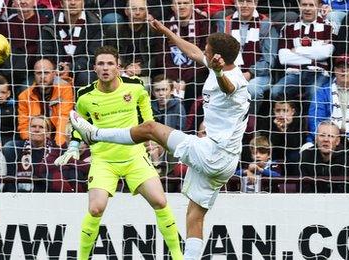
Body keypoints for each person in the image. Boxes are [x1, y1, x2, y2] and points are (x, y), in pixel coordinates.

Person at [69, 21, 248, 259]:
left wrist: (216, 73)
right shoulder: (223, 65)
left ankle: (96, 134)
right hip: (225, 161)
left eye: (207, 49)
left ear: (218, 59)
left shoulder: (233, 80)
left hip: (213, 152)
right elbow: (193, 51)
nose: (202, 51)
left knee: (151, 128)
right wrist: (166, 32)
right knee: (195, 217)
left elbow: (228, 88)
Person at [57, 45, 183, 260]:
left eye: (110, 64)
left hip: (134, 156)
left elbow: (148, 119)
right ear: (94, 68)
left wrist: (151, 138)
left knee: (160, 201)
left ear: (118, 67)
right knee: (96, 209)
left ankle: (178, 256)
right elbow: (80, 124)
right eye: (101, 64)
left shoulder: (135, 87)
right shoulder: (85, 95)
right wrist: (74, 146)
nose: (105, 68)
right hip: (104, 160)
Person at [306, 55, 349, 164]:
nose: (343, 70)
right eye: (340, 67)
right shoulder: (323, 90)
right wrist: (326, 137)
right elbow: (315, 117)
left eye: (348, 67)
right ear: (334, 71)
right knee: (305, 150)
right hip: (325, 136)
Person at [217, 0, 277, 114]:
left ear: (256, 3)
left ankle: (249, 125)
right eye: (240, 1)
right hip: (230, 72)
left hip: (259, 75)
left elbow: (270, 59)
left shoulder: (266, 24)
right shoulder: (225, 23)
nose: (244, 5)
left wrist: (250, 73)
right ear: (235, 3)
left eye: (249, 1)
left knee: (252, 90)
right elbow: (219, 53)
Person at [270, 0, 335, 101]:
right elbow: (283, 58)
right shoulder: (288, 28)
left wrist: (297, 50)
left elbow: (326, 53)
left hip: (319, 73)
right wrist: (314, 57)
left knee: (314, 92)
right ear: (299, 6)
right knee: (276, 91)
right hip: (294, 73)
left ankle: (311, 117)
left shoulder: (328, 27)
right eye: (304, 5)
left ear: (319, 6)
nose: (307, 9)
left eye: (311, 5)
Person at [17, 58, 75, 147]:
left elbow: (64, 118)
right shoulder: (24, 96)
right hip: (35, 141)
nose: (42, 76)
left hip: (58, 140)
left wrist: (57, 146)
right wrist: (33, 142)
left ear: (54, 73)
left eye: (46, 72)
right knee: (9, 147)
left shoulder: (64, 89)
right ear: (34, 75)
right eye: (39, 73)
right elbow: (23, 125)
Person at [299, 121, 349, 193]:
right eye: (322, 135)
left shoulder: (347, 157)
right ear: (316, 138)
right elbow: (304, 188)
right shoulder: (306, 155)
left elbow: (345, 189)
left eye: (331, 136)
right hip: (311, 202)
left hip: (338, 202)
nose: (326, 140)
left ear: (337, 141)